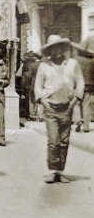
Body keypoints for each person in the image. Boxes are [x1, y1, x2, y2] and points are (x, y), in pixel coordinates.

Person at [34, 34, 84, 184]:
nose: (56, 51)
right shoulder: (44, 66)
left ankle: (60, 171)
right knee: (53, 140)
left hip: (67, 106)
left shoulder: (73, 64)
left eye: (59, 48)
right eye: (52, 49)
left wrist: (74, 102)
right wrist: (44, 102)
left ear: (63, 49)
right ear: (49, 51)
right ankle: (52, 170)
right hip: (51, 107)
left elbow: (80, 83)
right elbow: (38, 86)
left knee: (64, 140)